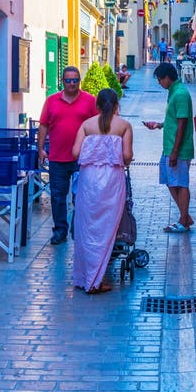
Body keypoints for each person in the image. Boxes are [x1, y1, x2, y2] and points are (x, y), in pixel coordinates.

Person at [71, 88, 133, 294]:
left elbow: (75, 152)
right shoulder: (124, 126)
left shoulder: (86, 125)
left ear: (97, 105)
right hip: (113, 181)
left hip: (89, 180)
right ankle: (97, 278)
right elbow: (126, 156)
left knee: (87, 226)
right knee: (107, 227)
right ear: (117, 105)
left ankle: (87, 276)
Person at [37, 66, 97, 245]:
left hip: (83, 158)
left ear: (80, 81)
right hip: (57, 157)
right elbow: (43, 125)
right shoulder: (51, 101)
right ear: (62, 82)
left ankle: (78, 229)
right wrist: (40, 148)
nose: (72, 84)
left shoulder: (90, 101)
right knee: (57, 196)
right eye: (68, 80)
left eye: (75, 80)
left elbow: (97, 126)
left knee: (81, 196)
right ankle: (60, 230)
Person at [144, 62, 194, 233]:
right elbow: (174, 120)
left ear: (167, 78)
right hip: (170, 148)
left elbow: (182, 124)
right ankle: (185, 216)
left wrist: (175, 152)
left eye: (160, 79)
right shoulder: (174, 93)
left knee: (180, 183)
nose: (159, 83)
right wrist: (159, 125)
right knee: (169, 180)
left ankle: (183, 220)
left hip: (177, 149)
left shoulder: (180, 94)